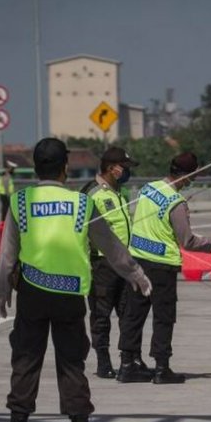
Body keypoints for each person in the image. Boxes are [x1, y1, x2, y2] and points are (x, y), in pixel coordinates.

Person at [0, 137, 152, 422]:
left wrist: (2, 290)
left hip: (32, 292)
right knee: (71, 362)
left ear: (36, 167)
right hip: (68, 296)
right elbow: (112, 247)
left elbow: (7, 254)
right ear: (65, 167)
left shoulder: (20, 201)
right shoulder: (82, 204)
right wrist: (136, 274)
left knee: (25, 360)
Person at [117, 152, 211, 384]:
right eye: (193, 177)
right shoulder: (176, 203)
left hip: (136, 260)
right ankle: (161, 367)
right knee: (163, 317)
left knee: (134, 314)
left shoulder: (148, 188)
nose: (192, 182)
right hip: (161, 266)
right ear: (186, 175)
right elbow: (187, 241)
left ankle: (127, 364)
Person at [80, 146, 138, 379]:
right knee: (101, 316)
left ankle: (128, 359)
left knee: (128, 314)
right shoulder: (92, 194)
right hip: (102, 265)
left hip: (124, 264)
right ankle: (103, 361)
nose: (127, 172)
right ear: (112, 168)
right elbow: (83, 232)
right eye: (125, 167)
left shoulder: (119, 193)